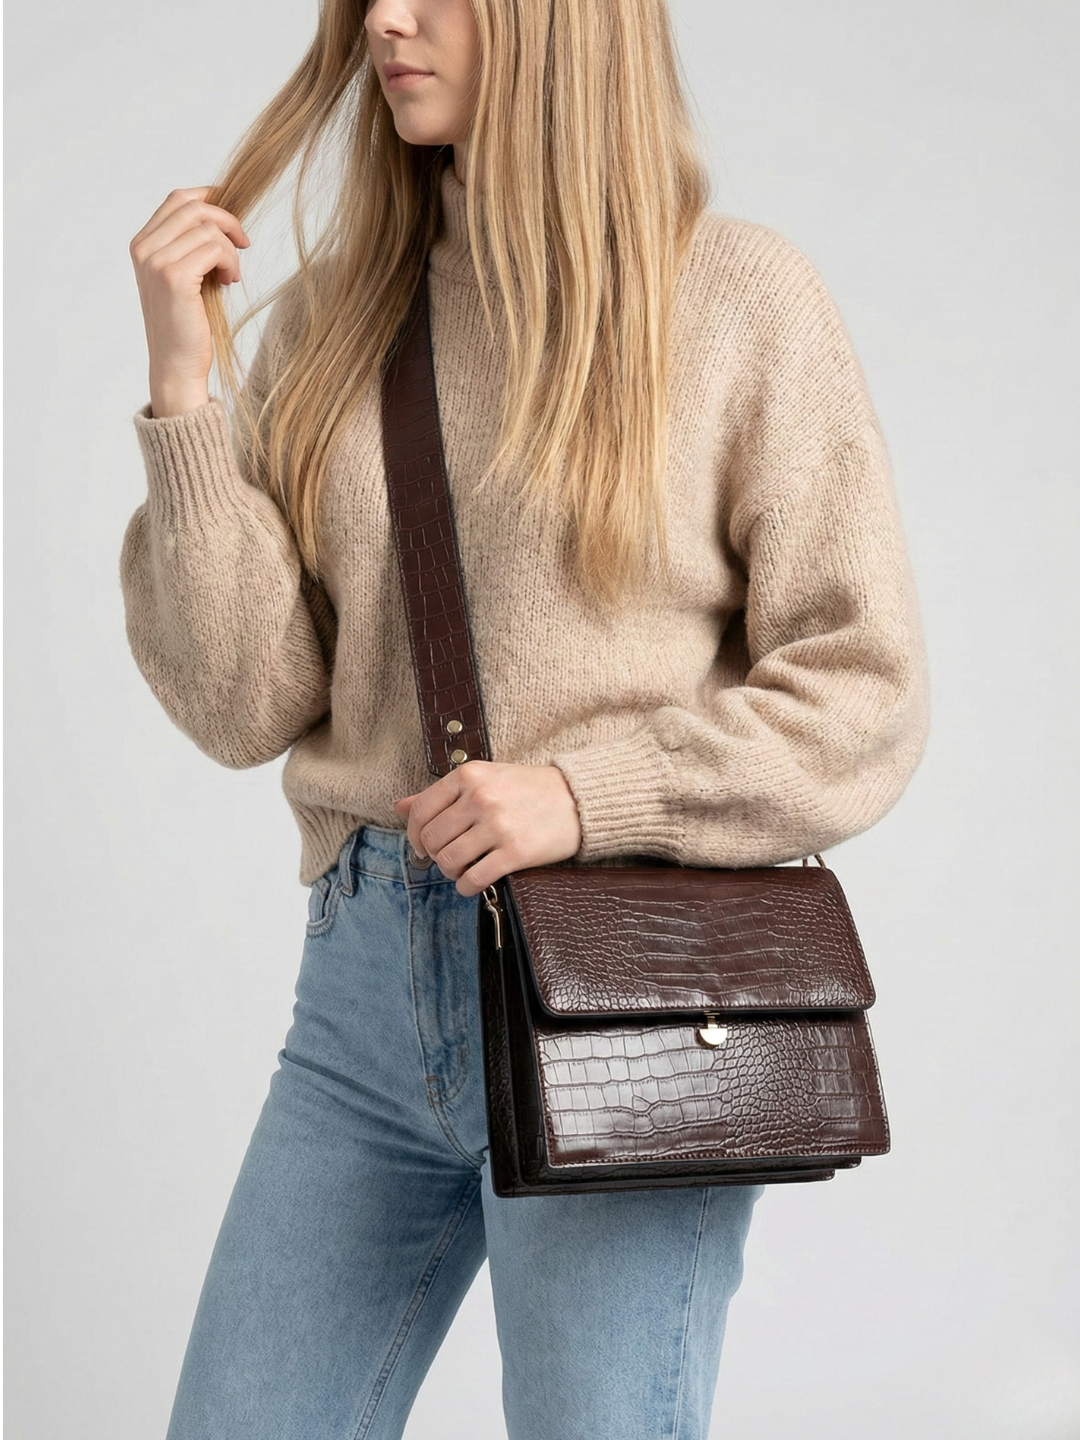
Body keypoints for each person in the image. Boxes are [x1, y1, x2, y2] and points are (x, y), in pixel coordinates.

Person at [120, 0, 930, 1435]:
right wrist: (185, 394)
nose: (388, 18)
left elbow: (864, 691)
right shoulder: (332, 320)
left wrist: (586, 795)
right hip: (363, 998)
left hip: (617, 995)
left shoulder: (732, 301)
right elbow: (248, 704)